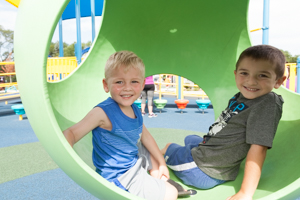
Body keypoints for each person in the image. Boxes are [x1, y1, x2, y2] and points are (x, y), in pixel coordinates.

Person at [161, 45, 287, 199]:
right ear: (236, 74)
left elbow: (259, 148)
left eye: (262, 75)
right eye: (244, 73)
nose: (251, 81)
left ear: (279, 81)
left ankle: (165, 153)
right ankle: (193, 147)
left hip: (201, 171)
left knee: (169, 147)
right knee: (191, 138)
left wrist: (245, 193)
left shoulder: (267, 104)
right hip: (211, 151)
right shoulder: (242, 95)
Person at [63, 51, 178, 200]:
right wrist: (71, 164)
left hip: (132, 163)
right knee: (171, 193)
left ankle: (157, 176)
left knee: (147, 147)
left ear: (143, 84)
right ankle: (156, 183)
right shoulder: (102, 113)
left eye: (134, 82)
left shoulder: (135, 109)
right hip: (120, 177)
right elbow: (71, 133)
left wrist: (162, 163)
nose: (127, 88)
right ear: (106, 85)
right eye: (119, 82)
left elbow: (146, 137)